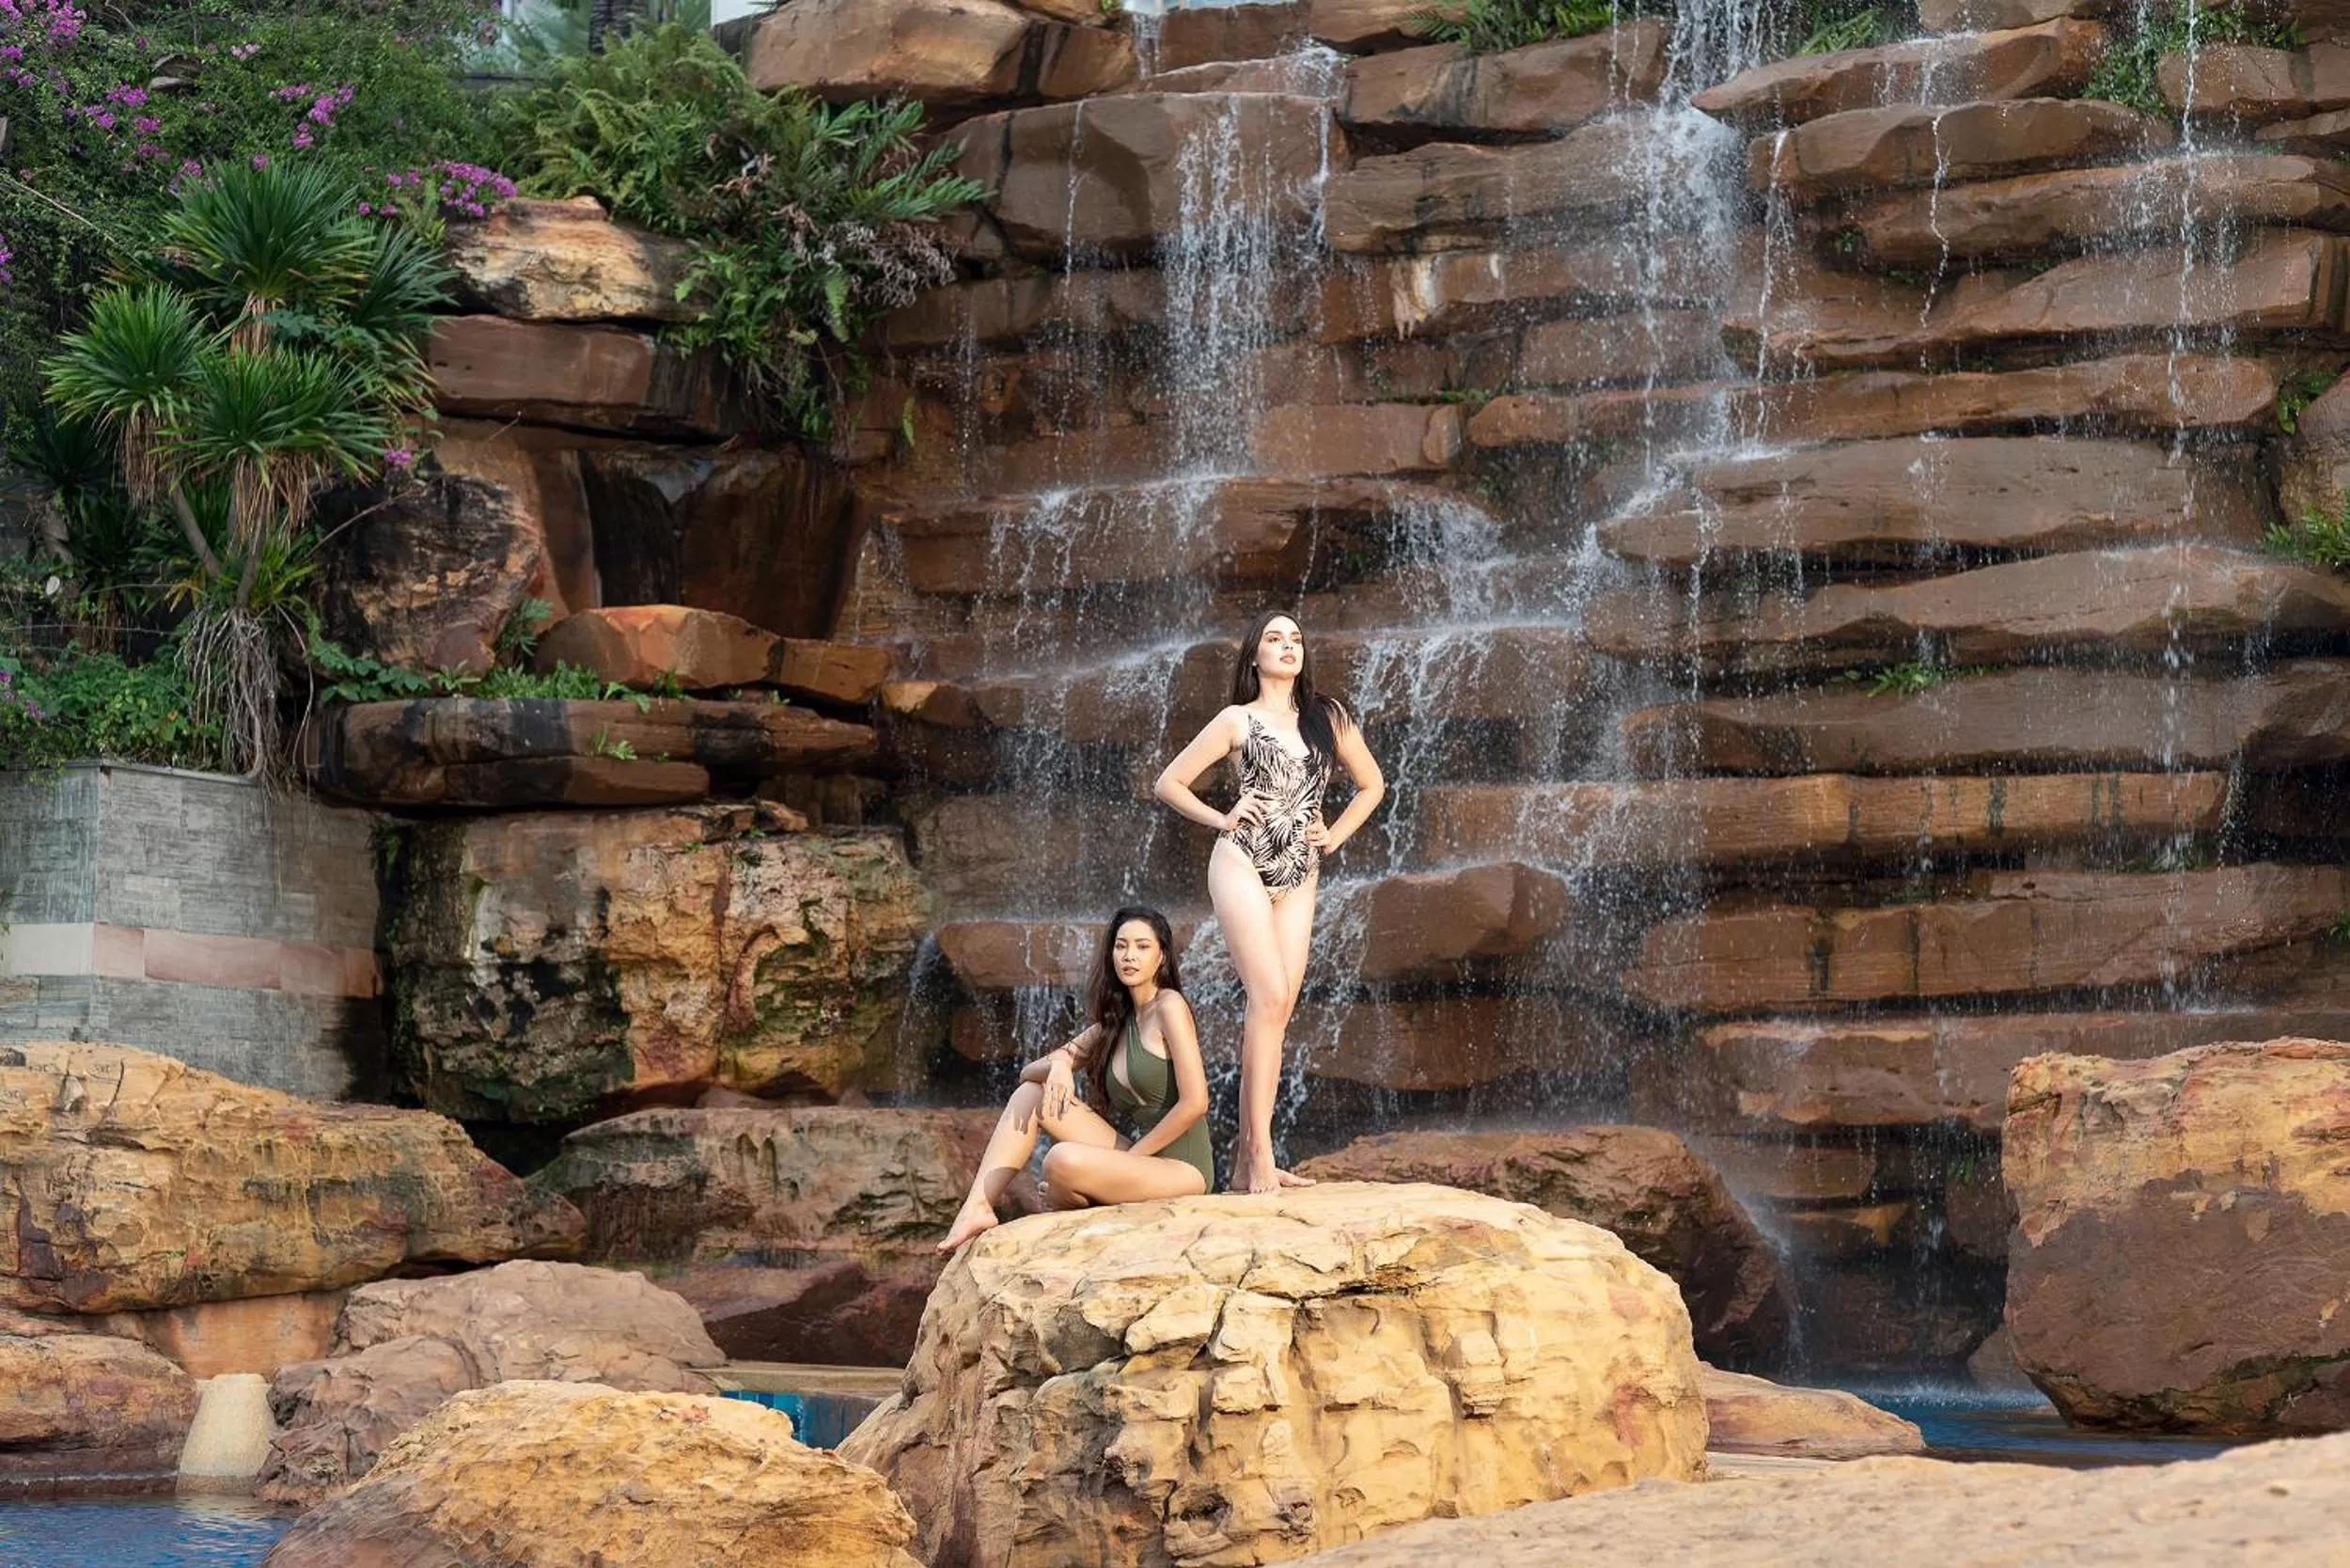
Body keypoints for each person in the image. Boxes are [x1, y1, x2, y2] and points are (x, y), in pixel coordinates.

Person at [1152, 612, 1385, 1194]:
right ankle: (1261, 1152)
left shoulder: (1328, 717)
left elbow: (1372, 784)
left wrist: (1335, 834)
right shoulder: (1238, 719)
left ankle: (1245, 1160)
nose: (1288, 647)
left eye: (1296, 639)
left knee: (1276, 1011)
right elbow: (1169, 782)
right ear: (1254, 655)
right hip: (1241, 860)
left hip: (1300, 870)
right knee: (1271, 994)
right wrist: (1222, 817)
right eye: (1275, 639)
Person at [937, 906, 1213, 1251]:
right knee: (1031, 1095)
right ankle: (977, 1207)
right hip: (1140, 1161)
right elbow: (1027, 1073)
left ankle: (1074, 1193)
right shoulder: (1115, 1023)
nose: (1129, 956)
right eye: (1121, 946)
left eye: (1142, 946)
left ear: (1161, 957)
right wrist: (1061, 1066)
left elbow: (1196, 1103)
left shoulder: (1169, 1006)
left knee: (1060, 1159)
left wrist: (1132, 1159)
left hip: (1183, 1169)